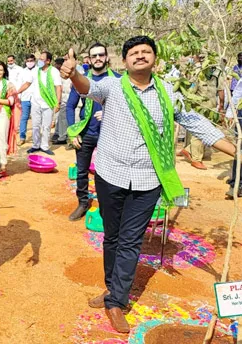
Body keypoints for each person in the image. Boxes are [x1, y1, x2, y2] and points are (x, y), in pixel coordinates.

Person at [59, 35, 235, 334]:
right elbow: (89, 88)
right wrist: (74, 74)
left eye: (146, 52)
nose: (140, 56)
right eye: (134, 53)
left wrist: (235, 150)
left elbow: (193, 121)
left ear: (155, 58)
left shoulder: (167, 92)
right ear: (125, 61)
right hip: (110, 175)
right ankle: (112, 288)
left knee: (129, 240)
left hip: (148, 180)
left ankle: (116, 300)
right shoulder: (113, 86)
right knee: (112, 237)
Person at [66, 43, 121, 221]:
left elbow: (125, 108)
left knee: (107, 173)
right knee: (82, 171)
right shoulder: (81, 81)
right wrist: (72, 132)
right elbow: (70, 106)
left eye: (101, 55)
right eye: (94, 56)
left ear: (106, 57)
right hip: (86, 133)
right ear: (89, 59)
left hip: (109, 134)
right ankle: (83, 203)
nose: (98, 58)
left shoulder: (119, 80)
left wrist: (107, 113)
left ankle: (107, 207)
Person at [180, 56, 225, 170]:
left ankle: (189, 149)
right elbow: (191, 90)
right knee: (199, 131)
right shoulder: (197, 72)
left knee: (209, 130)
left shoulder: (217, 72)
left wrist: (221, 107)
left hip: (212, 107)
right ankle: (196, 159)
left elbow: (220, 90)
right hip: (199, 107)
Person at [19, 51, 62, 155]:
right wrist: (17, 91)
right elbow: (27, 83)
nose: (40, 61)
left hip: (48, 103)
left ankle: (44, 146)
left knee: (46, 126)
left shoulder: (54, 72)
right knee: (35, 125)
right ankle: (36, 145)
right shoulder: (35, 71)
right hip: (36, 103)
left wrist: (58, 103)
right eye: (40, 59)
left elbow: (58, 87)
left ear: (48, 61)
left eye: (42, 59)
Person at [16, 54, 37, 145]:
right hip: (25, 98)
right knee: (24, 118)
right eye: (28, 61)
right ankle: (22, 137)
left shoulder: (39, 70)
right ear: (25, 61)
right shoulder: (22, 72)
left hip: (36, 98)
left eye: (31, 60)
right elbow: (20, 84)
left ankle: (36, 139)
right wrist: (18, 97)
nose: (29, 62)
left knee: (36, 119)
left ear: (34, 60)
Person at [52, 57, 71, 144]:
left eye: (57, 65)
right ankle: (60, 135)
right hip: (61, 100)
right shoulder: (56, 75)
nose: (56, 66)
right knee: (60, 118)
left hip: (68, 100)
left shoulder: (68, 74)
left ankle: (64, 137)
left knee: (66, 118)